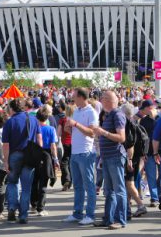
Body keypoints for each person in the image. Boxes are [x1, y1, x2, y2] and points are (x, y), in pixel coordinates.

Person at [2, 97, 42, 224]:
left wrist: (6, 161)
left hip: (14, 155)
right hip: (30, 155)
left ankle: (12, 207)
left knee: (12, 182)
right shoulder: (33, 119)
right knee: (26, 187)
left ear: (12, 108)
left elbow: (6, 145)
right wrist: (39, 156)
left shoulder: (10, 122)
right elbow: (39, 140)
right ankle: (23, 214)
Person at [62, 88, 99, 226]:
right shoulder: (76, 111)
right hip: (75, 152)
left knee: (89, 185)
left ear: (82, 97)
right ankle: (77, 213)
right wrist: (69, 128)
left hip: (86, 152)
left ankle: (90, 214)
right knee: (77, 185)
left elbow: (92, 133)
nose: (72, 99)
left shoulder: (91, 112)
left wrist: (76, 124)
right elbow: (75, 130)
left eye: (74, 97)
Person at [92, 90, 127, 230]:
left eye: (103, 98)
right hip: (107, 157)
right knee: (109, 191)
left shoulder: (117, 114)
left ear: (108, 100)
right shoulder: (108, 115)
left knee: (118, 190)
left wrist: (103, 132)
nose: (101, 100)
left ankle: (120, 220)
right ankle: (109, 218)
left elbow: (121, 137)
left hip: (115, 156)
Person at [121, 103, 148, 219]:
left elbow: (130, 144)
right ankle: (126, 210)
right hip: (136, 157)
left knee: (129, 183)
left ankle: (140, 205)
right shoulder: (135, 123)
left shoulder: (128, 124)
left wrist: (129, 159)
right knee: (128, 183)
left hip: (131, 158)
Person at [57, 102, 73, 191]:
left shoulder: (63, 120)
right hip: (74, 142)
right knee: (71, 161)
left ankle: (66, 179)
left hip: (66, 142)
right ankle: (70, 181)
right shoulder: (75, 119)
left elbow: (58, 133)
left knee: (64, 162)